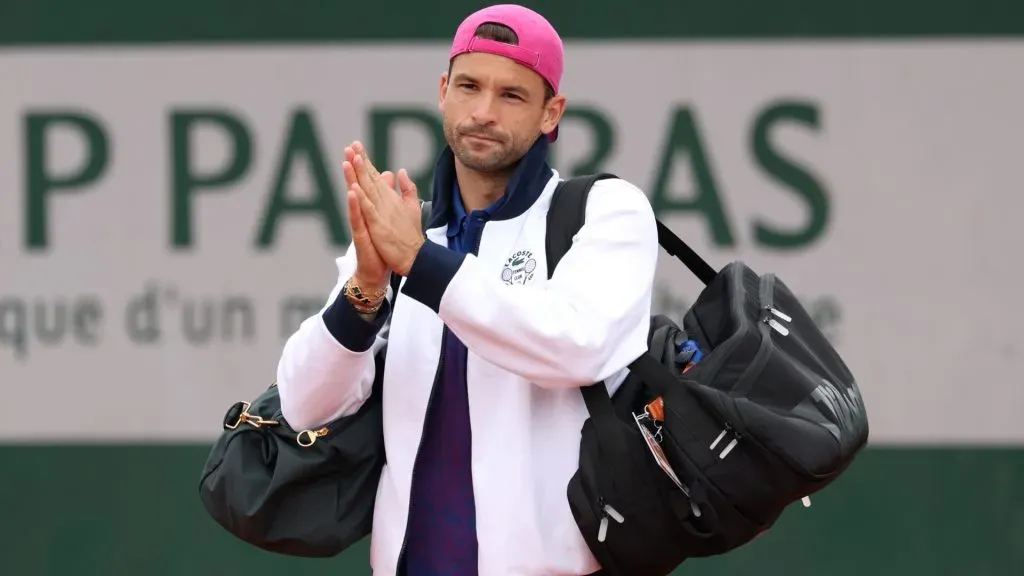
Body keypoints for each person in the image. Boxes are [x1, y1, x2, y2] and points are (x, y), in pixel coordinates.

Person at [276, 4, 659, 575]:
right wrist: (366, 287)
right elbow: (305, 406)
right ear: (442, 92)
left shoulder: (604, 210)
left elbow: (578, 346)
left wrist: (421, 264)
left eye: (512, 95)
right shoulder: (407, 231)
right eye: (469, 86)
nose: (483, 112)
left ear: (551, 113)